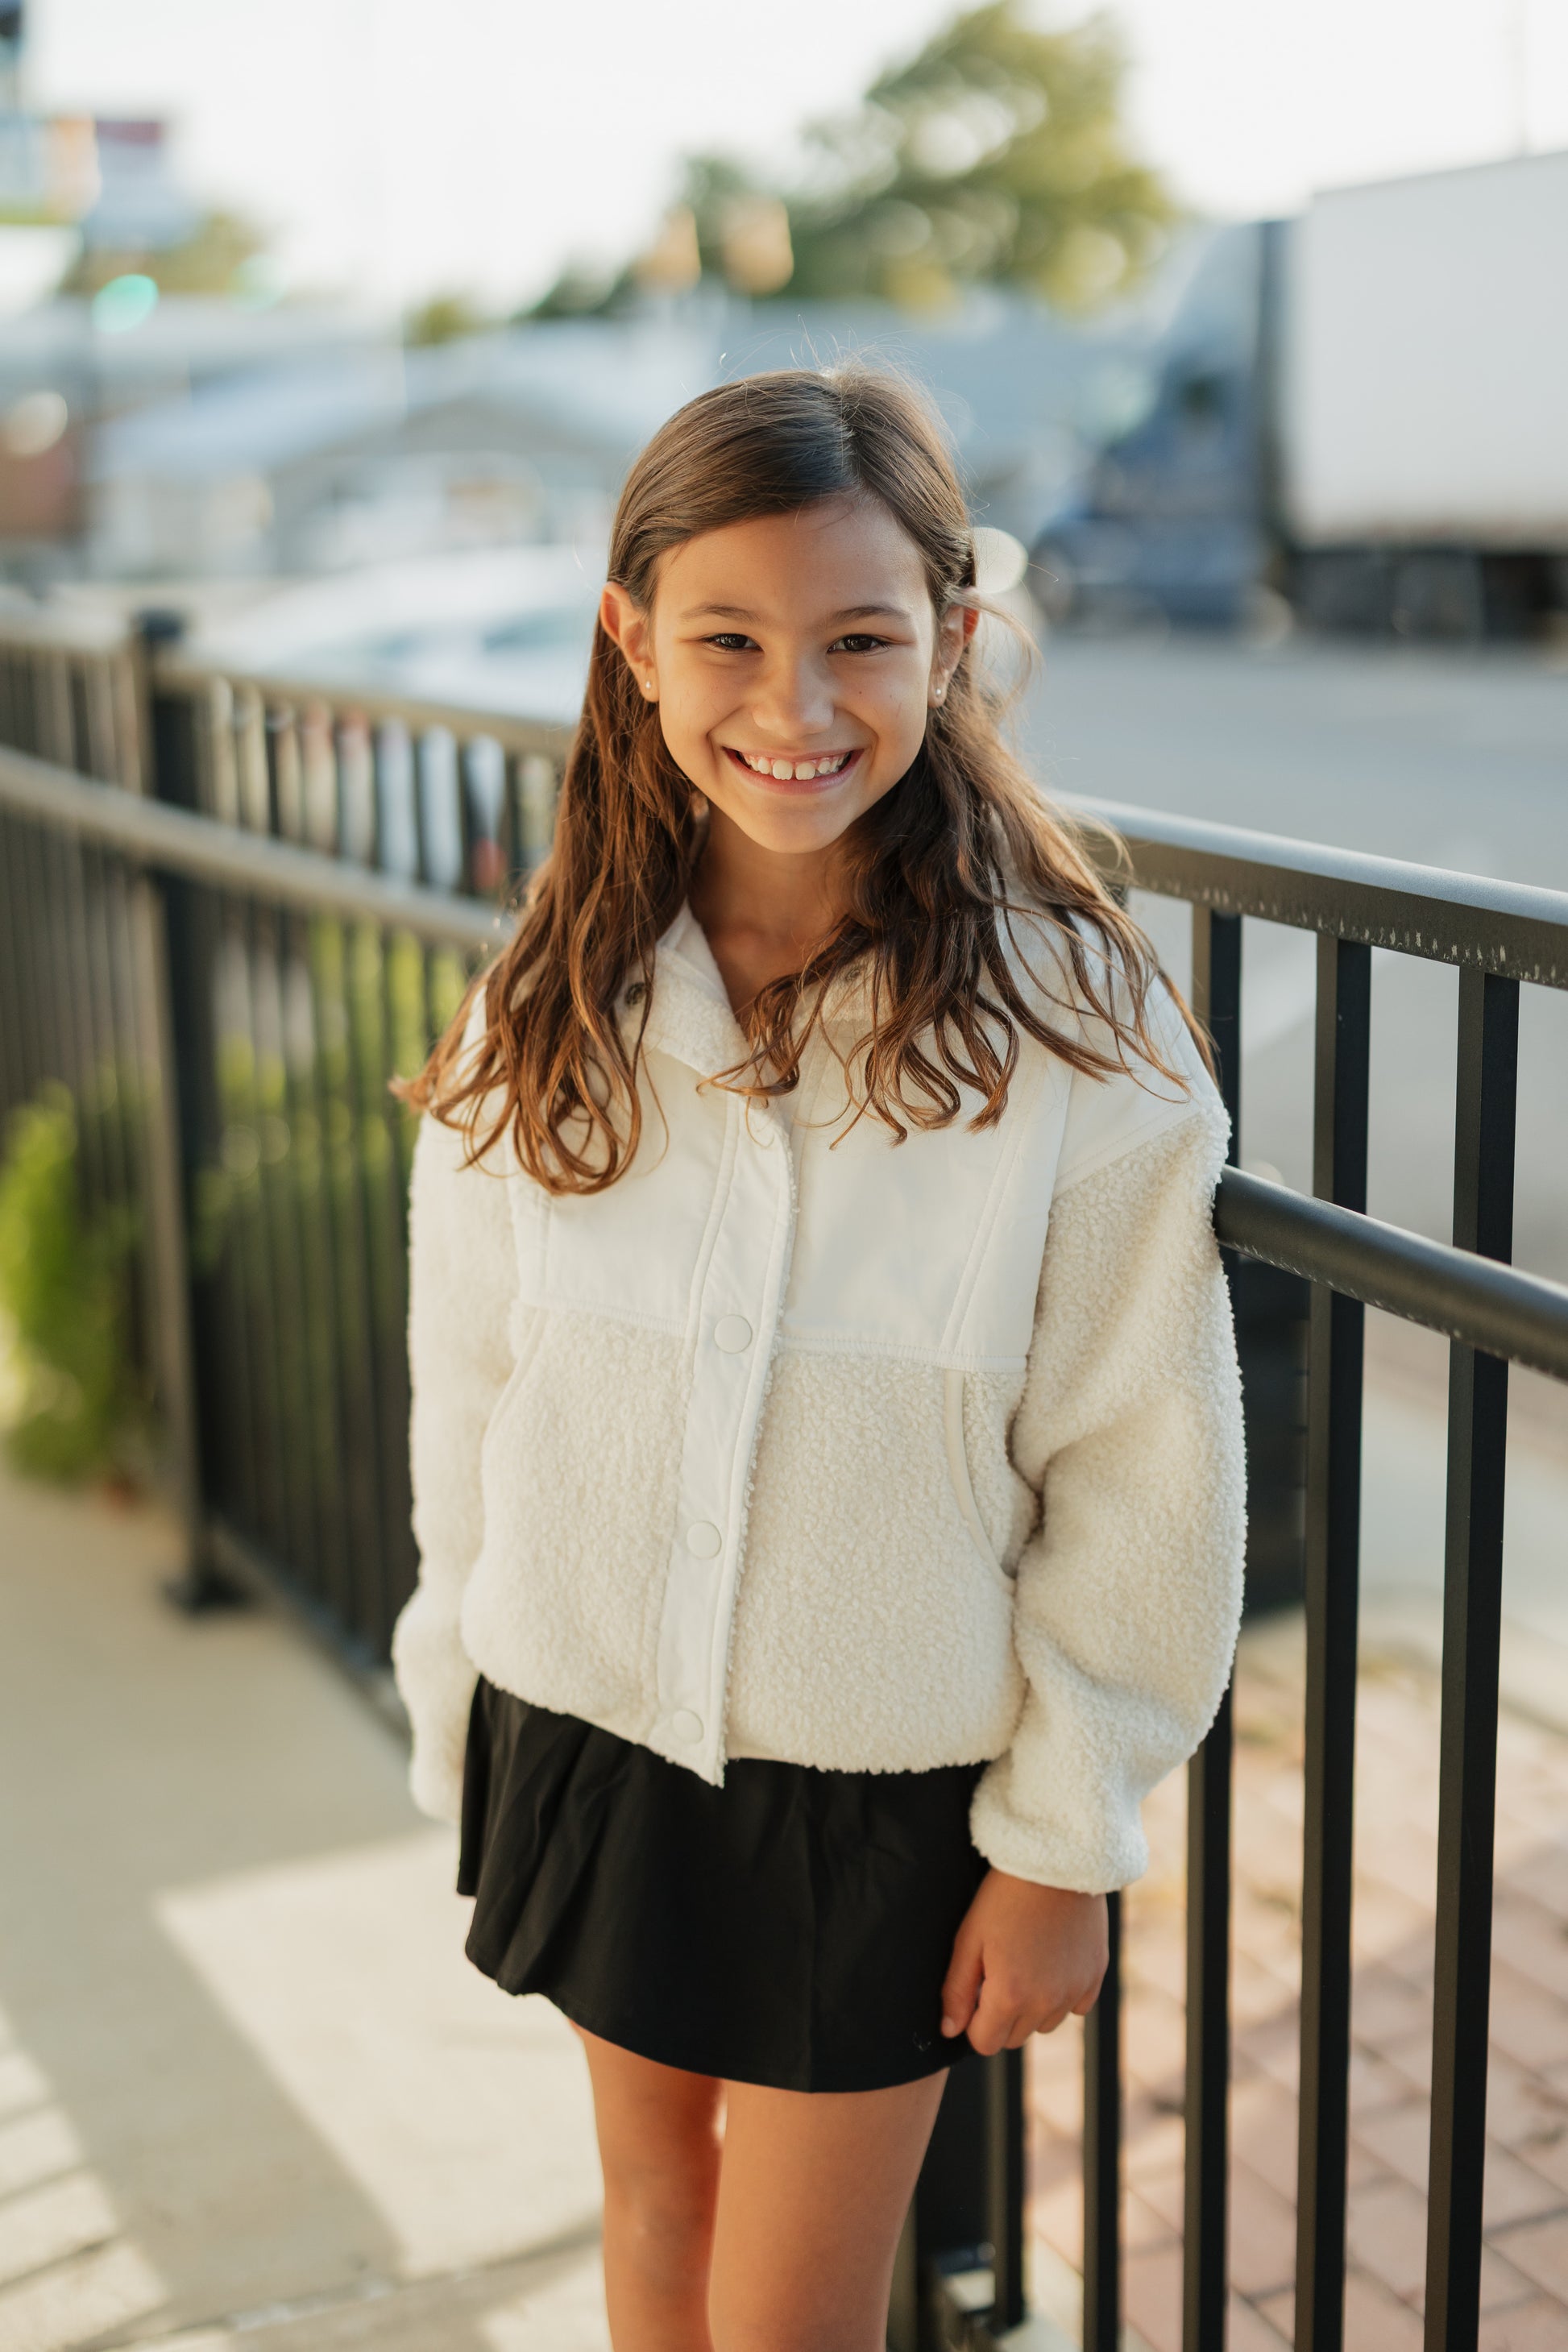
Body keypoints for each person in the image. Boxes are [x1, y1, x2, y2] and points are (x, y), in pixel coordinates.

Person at [393, 366, 1246, 2352]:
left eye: (859, 637)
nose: (796, 702)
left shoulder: (1075, 1026)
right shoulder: (556, 985)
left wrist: (1062, 1838)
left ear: (952, 635)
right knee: (653, 2215)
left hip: (877, 1780)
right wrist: (458, 1672)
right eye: (729, 640)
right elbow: (474, 1371)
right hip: (584, 1711)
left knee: (794, 2318)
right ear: (631, 642)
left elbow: (1142, 1454)